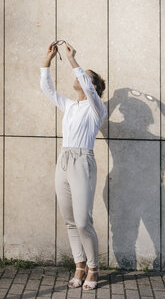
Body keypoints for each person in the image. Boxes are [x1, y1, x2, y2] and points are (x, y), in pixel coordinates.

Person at [40, 42, 107, 290]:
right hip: (64, 161)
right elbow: (47, 89)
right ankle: (79, 266)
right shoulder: (69, 105)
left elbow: (89, 88)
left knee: (82, 222)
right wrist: (47, 60)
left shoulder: (97, 108)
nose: (80, 78)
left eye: (86, 77)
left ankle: (94, 267)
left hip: (83, 162)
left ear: (95, 87)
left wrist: (72, 60)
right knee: (69, 220)